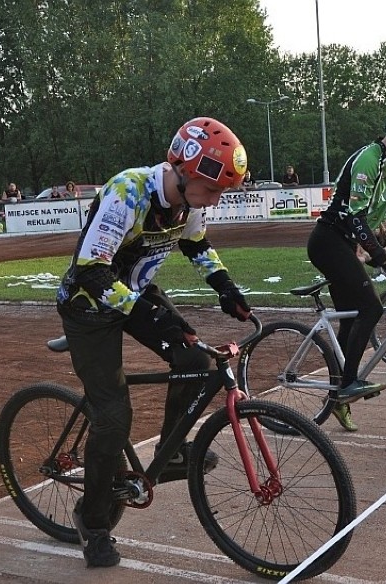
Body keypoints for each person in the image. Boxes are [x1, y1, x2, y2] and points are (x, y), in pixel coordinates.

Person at [56, 116, 250, 568]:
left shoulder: (192, 197)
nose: (215, 200)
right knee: (114, 416)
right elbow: (92, 269)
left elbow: (197, 245)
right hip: (89, 304)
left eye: (222, 191)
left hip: (135, 292)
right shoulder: (129, 191)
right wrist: (150, 314)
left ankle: (172, 450)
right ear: (180, 168)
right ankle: (94, 522)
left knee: (196, 361)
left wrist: (225, 286)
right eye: (211, 189)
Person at [308, 105, 386, 433]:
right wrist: (383, 259)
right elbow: (354, 217)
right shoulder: (370, 158)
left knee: (352, 319)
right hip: (328, 241)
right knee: (371, 307)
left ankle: (338, 396)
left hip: (346, 245)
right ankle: (349, 383)